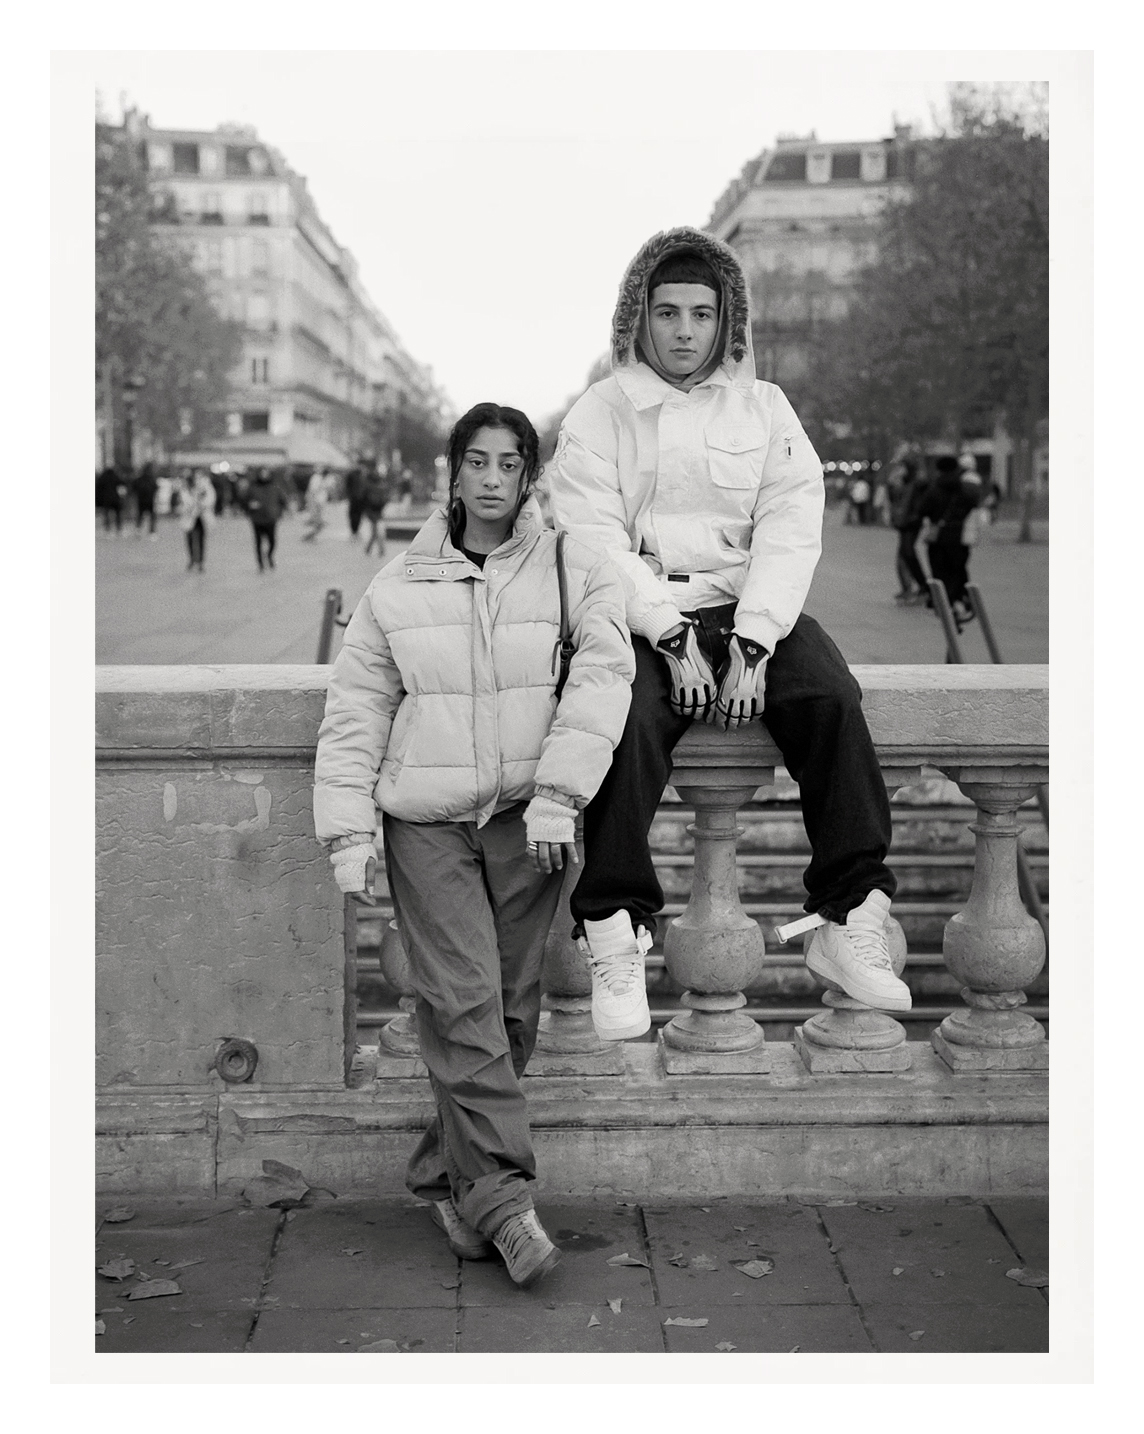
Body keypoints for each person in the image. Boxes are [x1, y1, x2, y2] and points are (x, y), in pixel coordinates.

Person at [547, 226, 911, 1044]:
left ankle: (849, 914)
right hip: (642, 613)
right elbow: (591, 536)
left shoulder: (767, 406)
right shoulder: (599, 414)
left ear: (728, 321)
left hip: (747, 607)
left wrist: (751, 645)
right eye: (667, 313)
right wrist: (671, 640)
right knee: (625, 720)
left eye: (701, 315)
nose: (684, 331)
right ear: (637, 318)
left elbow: (789, 525)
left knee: (829, 695)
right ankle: (611, 927)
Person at [313, 403, 634, 1288]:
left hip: (531, 821)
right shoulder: (396, 586)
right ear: (452, 473)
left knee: (509, 1014)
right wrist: (348, 830)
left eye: (509, 464)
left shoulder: (575, 565)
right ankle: (503, 1202)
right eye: (477, 463)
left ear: (530, 475)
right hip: (427, 822)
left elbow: (605, 680)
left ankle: (439, 1174)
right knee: (460, 1004)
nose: (492, 480)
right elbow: (354, 716)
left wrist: (561, 794)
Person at [920, 455, 980, 620]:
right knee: (957, 570)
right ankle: (959, 600)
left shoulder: (934, 488)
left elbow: (922, 509)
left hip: (939, 537)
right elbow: (972, 504)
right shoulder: (964, 488)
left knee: (939, 571)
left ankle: (943, 602)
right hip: (959, 537)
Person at [889, 459, 929, 602]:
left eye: (902, 467)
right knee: (904, 555)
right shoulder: (903, 483)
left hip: (911, 523)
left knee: (908, 553)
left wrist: (916, 516)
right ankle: (910, 587)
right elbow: (894, 499)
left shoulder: (917, 483)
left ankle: (923, 587)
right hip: (904, 523)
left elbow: (921, 499)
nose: (899, 470)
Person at [245, 467, 288, 571]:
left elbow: (283, 500)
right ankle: (260, 563)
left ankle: (269, 556)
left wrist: (278, 512)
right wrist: (250, 507)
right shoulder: (253, 487)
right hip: (257, 519)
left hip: (270, 518)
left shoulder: (274, 487)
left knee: (272, 541)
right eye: (262, 473)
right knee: (258, 542)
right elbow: (245, 501)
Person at [178, 468, 215, 572]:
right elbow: (184, 499)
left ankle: (200, 561)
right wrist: (191, 505)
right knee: (189, 539)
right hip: (189, 516)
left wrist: (202, 504)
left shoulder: (206, 485)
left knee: (201, 539)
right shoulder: (186, 486)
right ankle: (192, 559)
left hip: (202, 516)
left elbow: (211, 498)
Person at [361, 466, 391, 558]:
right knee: (377, 531)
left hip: (371, 512)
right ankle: (378, 550)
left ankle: (370, 549)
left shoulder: (367, 487)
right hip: (378, 512)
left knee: (375, 531)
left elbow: (363, 499)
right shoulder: (382, 487)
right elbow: (385, 499)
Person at [301, 467, 330, 541]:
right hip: (315, 501)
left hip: (320, 501)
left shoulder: (323, 479)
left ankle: (311, 536)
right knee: (315, 520)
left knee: (318, 520)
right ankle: (309, 536)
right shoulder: (316, 478)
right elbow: (313, 490)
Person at [96, 466, 125, 535]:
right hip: (116, 498)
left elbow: (98, 489)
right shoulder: (116, 477)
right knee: (118, 514)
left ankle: (107, 528)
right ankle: (118, 528)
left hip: (106, 499)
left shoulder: (102, 478)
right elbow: (122, 485)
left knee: (107, 514)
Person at [133, 462, 158, 539]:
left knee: (140, 516)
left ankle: (138, 531)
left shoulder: (139, 479)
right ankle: (152, 532)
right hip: (150, 500)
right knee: (152, 516)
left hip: (141, 500)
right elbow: (156, 488)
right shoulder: (151, 479)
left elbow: (134, 488)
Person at [345, 465, 366, 540]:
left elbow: (347, 486)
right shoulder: (362, 476)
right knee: (357, 515)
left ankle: (354, 531)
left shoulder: (356, 475)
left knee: (354, 515)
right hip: (358, 499)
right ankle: (355, 531)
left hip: (355, 498)